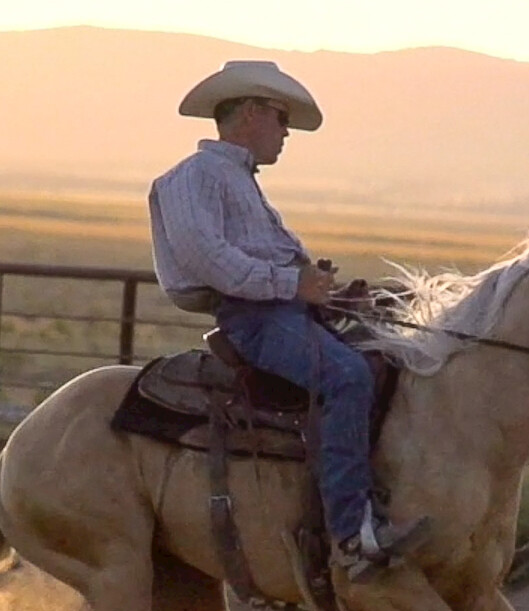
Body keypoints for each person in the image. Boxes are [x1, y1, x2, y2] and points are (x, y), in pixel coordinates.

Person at [147, 60, 426, 581]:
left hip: (282, 310)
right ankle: (350, 536)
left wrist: (327, 295)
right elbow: (209, 260)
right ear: (251, 113)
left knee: (391, 357)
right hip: (253, 318)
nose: (286, 132)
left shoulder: (234, 179)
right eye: (281, 118)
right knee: (347, 378)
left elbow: (253, 258)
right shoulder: (194, 177)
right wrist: (293, 285)